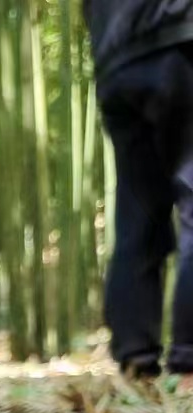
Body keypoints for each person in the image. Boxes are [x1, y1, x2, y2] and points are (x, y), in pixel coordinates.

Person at [86, 0, 193, 377]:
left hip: (115, 59)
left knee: (139, 215)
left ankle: (135, 362)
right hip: (178, 37)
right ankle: (190, 366)